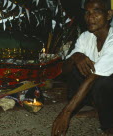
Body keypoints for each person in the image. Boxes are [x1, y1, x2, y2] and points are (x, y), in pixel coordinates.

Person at [52, 0, 113, 135]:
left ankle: (109, 125)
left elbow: (93, 78)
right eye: (87, 12)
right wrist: (75, 56)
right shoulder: (86, 37)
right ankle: (98, 109)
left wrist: (66, 113)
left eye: (96, 11)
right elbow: (64, 70)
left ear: (108, 15)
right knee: (75, 67)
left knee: (103, 82)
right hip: (97, 87)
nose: (90, 17)